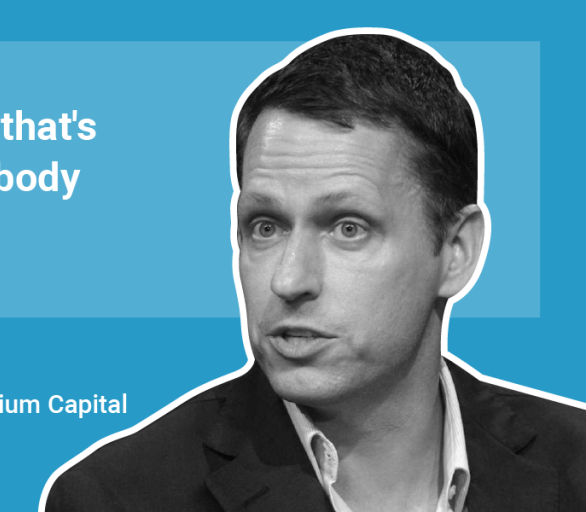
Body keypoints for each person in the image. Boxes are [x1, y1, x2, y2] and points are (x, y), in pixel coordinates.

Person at [43, 30, 586, 512]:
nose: (288, 280)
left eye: (348, 227)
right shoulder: (114, 498)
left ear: (457, 251)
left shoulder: (576, 465)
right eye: (265, 227)